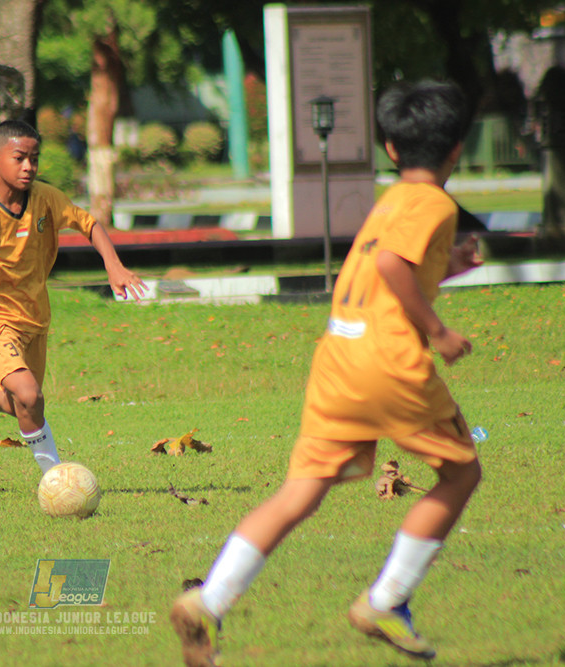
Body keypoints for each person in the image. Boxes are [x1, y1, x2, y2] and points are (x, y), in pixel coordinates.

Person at [171, 80, 485, 665]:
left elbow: (388, 275)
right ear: (457, 149)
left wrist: (452, 265)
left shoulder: (390, 199)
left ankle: (208, 603)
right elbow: (393, 264)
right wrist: (438, 333)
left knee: (300, 493)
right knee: (461, 475)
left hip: (338, 359)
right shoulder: (435, 202)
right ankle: (386, 600)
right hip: (389, 365)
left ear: (390, 148)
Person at [0, 120, 146, 475]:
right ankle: (55, 479)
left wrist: (113, 266)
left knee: (21, 404)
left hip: (36, 318)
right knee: (30, 397)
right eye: (19, 158)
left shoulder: (45, 198)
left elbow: (89, 224)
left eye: (34, 159)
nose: (28, 167)